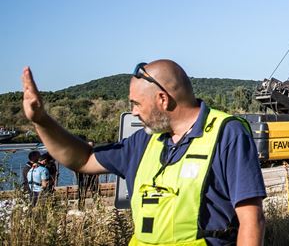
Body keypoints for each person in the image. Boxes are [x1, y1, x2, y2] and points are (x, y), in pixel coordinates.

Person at [21, 60, 266, 245]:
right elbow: (82, 159)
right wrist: (42, 121)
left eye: (136, 103)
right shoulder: (144, 142)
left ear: (162, 99)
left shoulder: (227, 134)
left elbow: (251, 221)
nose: (134, 112)